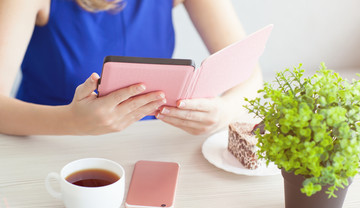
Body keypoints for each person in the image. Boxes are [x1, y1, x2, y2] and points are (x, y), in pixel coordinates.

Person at [0, 0, 263, 136]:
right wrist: (72, 122)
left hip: (145, 145)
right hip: (46, 143)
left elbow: (250, 74)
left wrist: (222, 113)